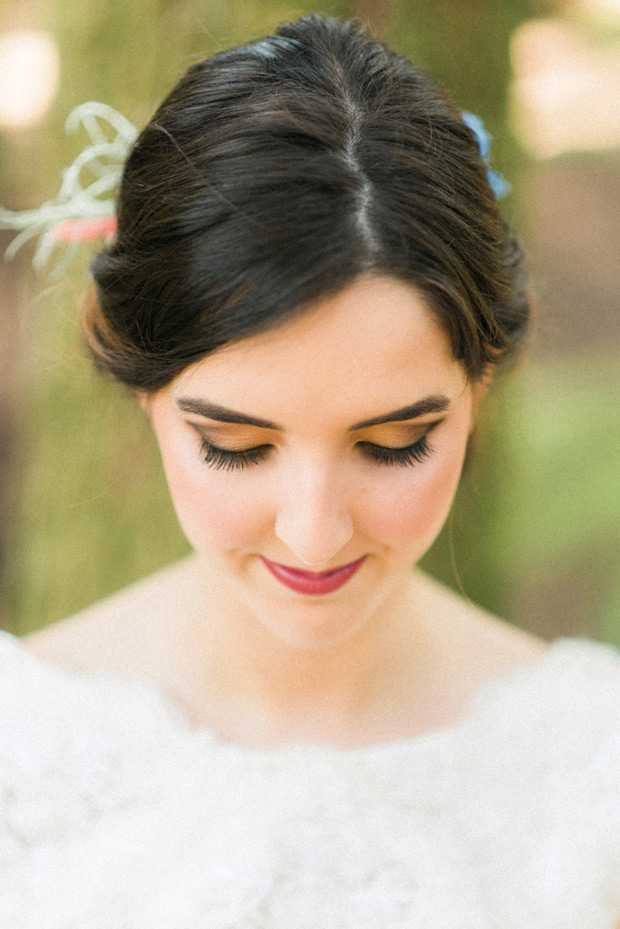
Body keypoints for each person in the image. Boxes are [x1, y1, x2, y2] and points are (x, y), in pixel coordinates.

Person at [1, 13, 619, 929]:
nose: (314, 529)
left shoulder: (594, 768)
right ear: (146, 392)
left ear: (481, 383)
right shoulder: (22, 749)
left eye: (394, 442)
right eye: (237, 446)